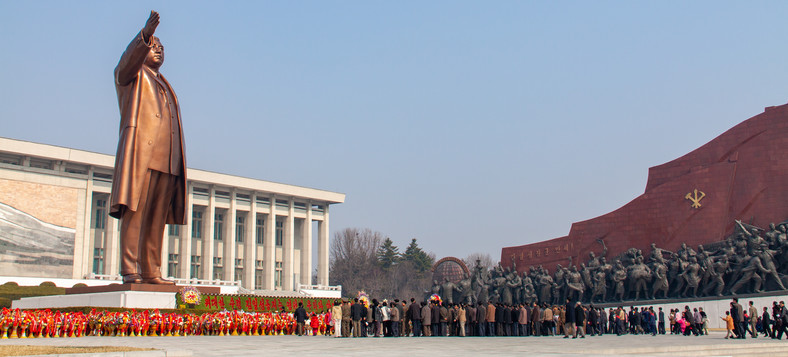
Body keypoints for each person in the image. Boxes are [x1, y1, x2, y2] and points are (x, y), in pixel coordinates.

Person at [111, 10, 187, 285]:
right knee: (135, 213)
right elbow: (124, 65)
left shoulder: (164, 83)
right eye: (153, 47)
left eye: (161, 48)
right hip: (142, 156)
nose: (158, 50)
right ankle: (131, 269)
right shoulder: (131, 78)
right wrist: (144, 35)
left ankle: (152, 271)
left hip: (167, 160)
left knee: (156, 218)